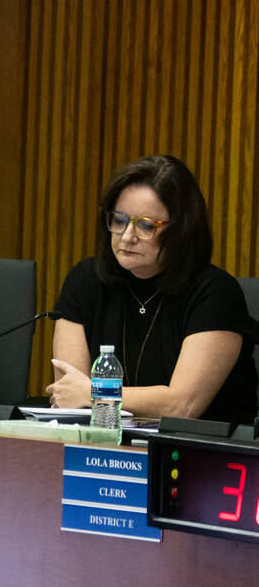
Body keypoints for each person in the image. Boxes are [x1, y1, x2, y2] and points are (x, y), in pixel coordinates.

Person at [47, 154, 257, 423]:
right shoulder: (86, 280)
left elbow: (183, 406)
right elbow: (68, 395)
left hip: (198, 455)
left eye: (146, 226)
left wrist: (94, 393)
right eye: (119, 220)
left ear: (182, 230)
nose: (127, 236)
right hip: (103, 444)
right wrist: (87, 396)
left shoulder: (215, 293)